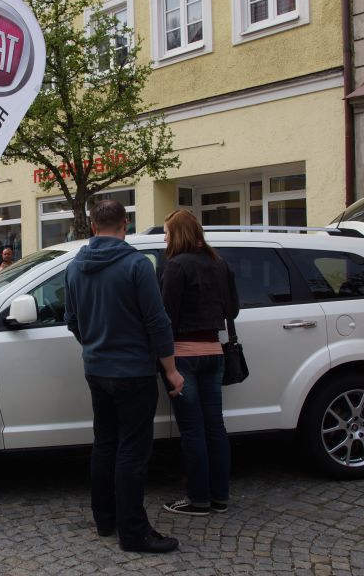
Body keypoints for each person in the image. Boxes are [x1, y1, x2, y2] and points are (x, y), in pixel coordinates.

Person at [64, 199, 184, 554]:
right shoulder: (136, 265)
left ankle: (106, 519)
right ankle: (133, 532)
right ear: (125, 225)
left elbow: (72, 320)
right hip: (133, 372)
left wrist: (93, 345)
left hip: (96, 370)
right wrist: (171, 370)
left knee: (105, 444)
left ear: (92, 226)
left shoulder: (74, 267)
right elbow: (157, 322)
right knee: (132, 451)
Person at [159, 210, 240, 517]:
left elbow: (166, 316)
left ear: (178, 233)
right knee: (215, 427)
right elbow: (233, 309)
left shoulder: (176, 266)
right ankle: (220, 497)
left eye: (167, 232)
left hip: (184, 357)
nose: (165, 238)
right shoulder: (220, 263)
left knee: (192, 431)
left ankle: (199, 500)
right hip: (214, 353)